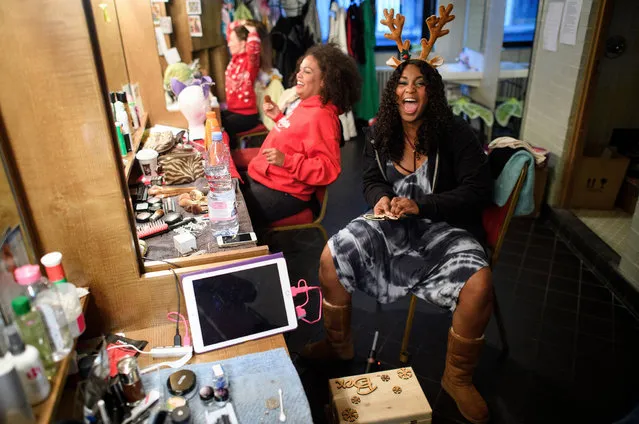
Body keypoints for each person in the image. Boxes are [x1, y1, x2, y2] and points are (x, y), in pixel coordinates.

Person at [302, 58, 494, 424]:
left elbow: (477, 190)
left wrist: (422, 204)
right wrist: (381, 198)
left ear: (431, 93)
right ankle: (339, 345)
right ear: (393, 93)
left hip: (445, 228)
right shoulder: (381, 133)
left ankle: (457, 378)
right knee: (332, 255)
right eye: (402, 83)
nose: (410, 89)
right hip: (393, 225)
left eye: (420, 83)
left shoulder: (456, 135)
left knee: (480, 281)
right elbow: (372, 180)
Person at [241, 44, 361, 228]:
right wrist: (278, 117)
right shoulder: (307, 105)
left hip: (285, 192)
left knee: (234, 213)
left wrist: (287, 161)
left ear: (324, 81)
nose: (298, 75)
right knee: (228, 192)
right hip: (267, 179)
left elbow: (329, 169)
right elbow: (299, 138)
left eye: (307, 71)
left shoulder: (323, 116)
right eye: (300, 70)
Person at [223, 20, 268, 148]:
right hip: (233, 110)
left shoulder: (250, 63)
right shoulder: (234, 60)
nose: (229, 44)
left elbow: (254, 49)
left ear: (243, 43)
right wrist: (242, 23)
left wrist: (252, 31)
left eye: (232, 41)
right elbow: (229, 28)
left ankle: (232, 157)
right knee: (216, 119)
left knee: (224, 125)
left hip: (247, 115)